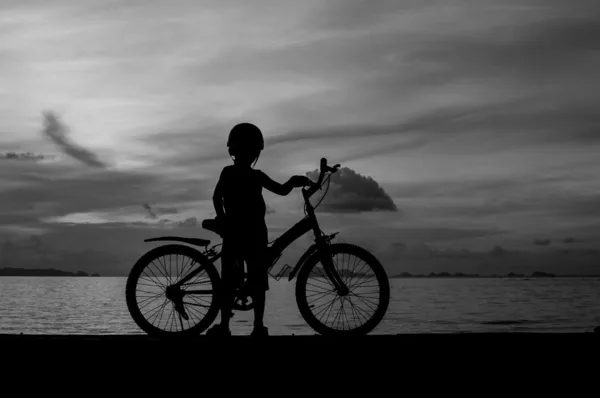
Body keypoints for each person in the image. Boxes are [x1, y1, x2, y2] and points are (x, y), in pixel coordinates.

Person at [206, 122, 312, 337]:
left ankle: (225, 327)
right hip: (254, 234)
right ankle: (258, 327)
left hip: (235, 233)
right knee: (257, 282)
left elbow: (217, 197)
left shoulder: (228, 172)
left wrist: (222, 218)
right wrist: (293, 182)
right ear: (256, 152)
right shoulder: (257, 176)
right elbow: (282, 190)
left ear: (232, 150)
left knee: (230, 281)